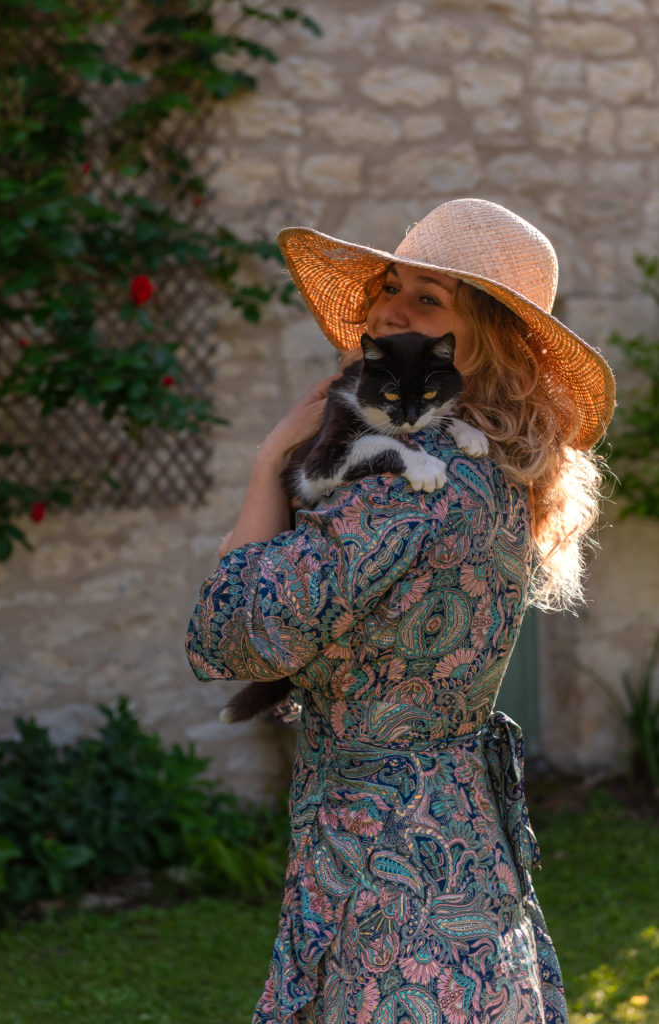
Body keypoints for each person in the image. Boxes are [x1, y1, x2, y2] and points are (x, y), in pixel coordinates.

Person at [185, 198, 615, 1024]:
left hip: (391, 881)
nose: (391, 307)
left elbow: (234, 631)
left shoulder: (410, 493)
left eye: (429, 298)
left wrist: (271, 453)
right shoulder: (493, 474)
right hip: (459, 854)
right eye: (391, 285)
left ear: (479, 342)